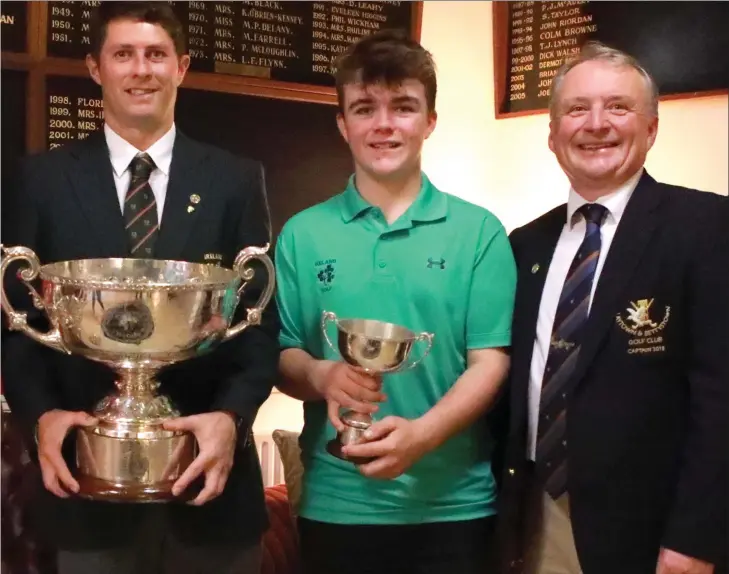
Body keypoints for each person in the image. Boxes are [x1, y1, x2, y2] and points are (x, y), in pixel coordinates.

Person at [0, 3, 279, 573]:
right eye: (123, 54)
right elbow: (18, 324)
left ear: (181, 67)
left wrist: (231, 420)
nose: (141, 70)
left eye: (156, 55)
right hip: (86, 486)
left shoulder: (235, 179)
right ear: (95, 68)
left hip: (212, 490)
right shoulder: (40, 180)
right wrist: (41, 417)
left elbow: (258, 327)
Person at [274, 29, 516, 574]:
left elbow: (490, 361)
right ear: (343, 124)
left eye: (403, 107)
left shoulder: (479, 233)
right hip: (338, 506)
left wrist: (421, 437)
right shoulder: (300, 235)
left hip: (455, 507)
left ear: (430, 121)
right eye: (364, 108)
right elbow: (284, 356)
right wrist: (322, 376)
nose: (384, 124)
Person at [497, 41, 728, 574]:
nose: (596, 124)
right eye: (577, 109)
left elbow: (722, 400)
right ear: (553, 136)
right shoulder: (525, 244)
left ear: (650, 128)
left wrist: (696, 538)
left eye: (618, 107)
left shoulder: (708, 228)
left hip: (653, 533)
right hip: (535, 517)